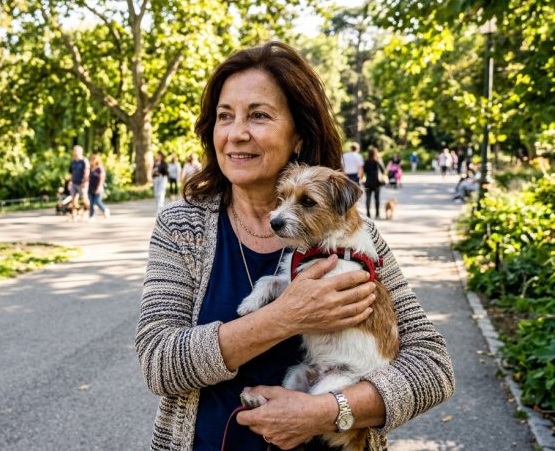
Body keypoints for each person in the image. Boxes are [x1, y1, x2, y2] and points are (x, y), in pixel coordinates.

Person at [136, 41, 453, 451]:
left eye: (259, 116)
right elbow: (158, 363)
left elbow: (432, 367)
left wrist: (326, 410)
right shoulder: (181, 228)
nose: (237, 133)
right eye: (224, 117)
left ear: (298, 136)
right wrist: (282, 318)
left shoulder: (355, 237)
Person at [363, 148, 386, 219]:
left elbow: (364, 171)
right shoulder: (377, 161)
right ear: (376, 154)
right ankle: (377, 214)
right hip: (376, 182)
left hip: (368, 182)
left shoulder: (366, 162)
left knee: (368, 198)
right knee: (377, 199)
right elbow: (383, 170)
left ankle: (368, 213)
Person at [69, 145, 90, 221]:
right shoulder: (73, 161)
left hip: (82, 183)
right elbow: (71, 172)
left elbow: (87, 172)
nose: (75, 152)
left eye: (76, 150)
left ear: (80, 151)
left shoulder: (84, 161)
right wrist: (70, 181)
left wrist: (84, 182)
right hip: (74, 183)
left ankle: (88, 212)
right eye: (74, 150)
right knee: (73, 200)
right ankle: (74, 215)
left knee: (84, 199)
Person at [87, 153, 111, 219]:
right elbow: (87, 177)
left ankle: (105, 209)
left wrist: (99, 187)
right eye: (92, 159)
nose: (93, 160)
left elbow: (102, 178)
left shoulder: (100, 168)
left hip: (98, 187)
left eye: (94, 159)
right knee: (91, 202)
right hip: (90, 187)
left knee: (97, 201)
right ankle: (91, 216)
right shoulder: (90, 168)